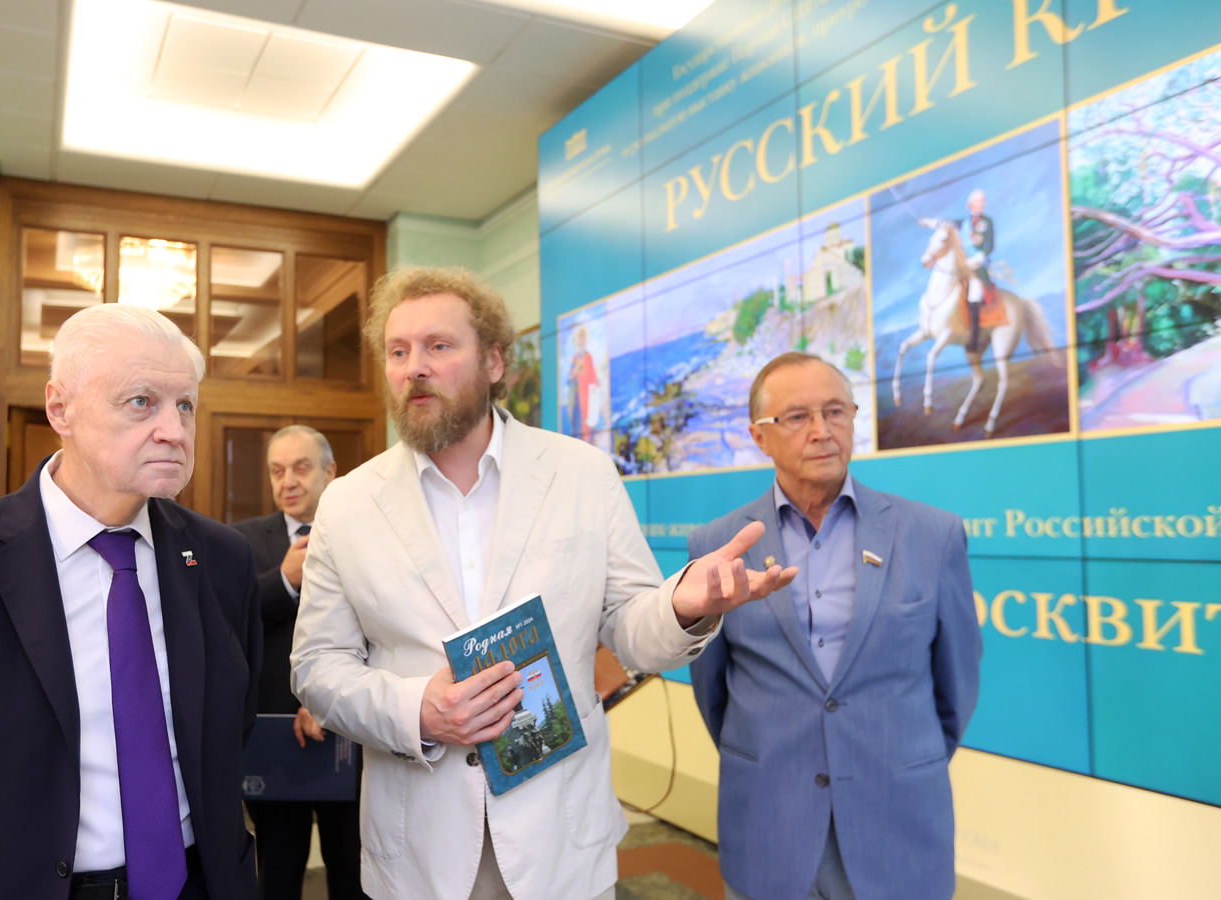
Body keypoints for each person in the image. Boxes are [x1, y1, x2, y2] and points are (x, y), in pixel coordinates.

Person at [290, 266, 796, 900]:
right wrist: (417, 710)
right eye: (398, 351)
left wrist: (681, 608)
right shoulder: (348, 504)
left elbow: (631, 630)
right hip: (418, 852)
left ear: (494, 361)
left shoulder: (582, 473)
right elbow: (317, 667)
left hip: (561, 843)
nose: (414, 367)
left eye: (439, 346)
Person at [0, 304, 262, 900]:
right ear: (60, 409)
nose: (174, 430)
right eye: (142, 402)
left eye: (185, 405)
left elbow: (226, 731)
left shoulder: (222, 558)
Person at [688, 352, 983, 900]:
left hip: (897, 826)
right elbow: (713, 695)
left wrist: (895, 759)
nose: (822, 431)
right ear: (759, 436)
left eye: (835, 412)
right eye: (797, 417)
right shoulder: (718, 546)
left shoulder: (932, 535)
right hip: (769, 825)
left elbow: (956, 685)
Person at [233, 426, 366, 900]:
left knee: (354, 873)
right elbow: (228, 622)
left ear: (330, 472)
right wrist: (284, 580)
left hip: (350, 734)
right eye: (277, 470)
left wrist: (329, 698)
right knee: (278, 876)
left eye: (301, 468)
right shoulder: (242, 542)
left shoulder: (365, 536)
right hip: (274, 740)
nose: (287, 481)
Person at [922, 189, 994, 352]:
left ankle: (974, 339)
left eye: (982, 201)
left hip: (976, 268)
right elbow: (945, 224)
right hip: (961, 266)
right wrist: (929, 222)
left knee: (974, 294)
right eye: (977, 201)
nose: (980, 204)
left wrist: (980, 257)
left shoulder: (988, 222)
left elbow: (990, 245)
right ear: (970, 204)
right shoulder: (964, 223)